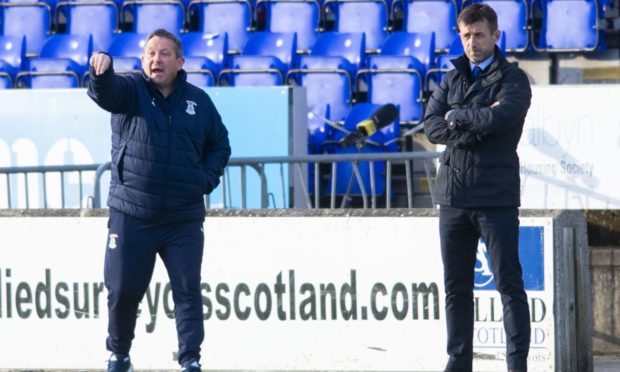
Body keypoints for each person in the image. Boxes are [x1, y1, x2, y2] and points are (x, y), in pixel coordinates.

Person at [87, 29, 231, 372]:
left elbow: (220, 145)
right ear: (142, 61)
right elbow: (105, 93)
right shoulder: (130, 90)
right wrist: (101, 72)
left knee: (187, 291)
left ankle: (190, 360)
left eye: (165, 53)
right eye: (151, 53)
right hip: (132, 212)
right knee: (122, 290)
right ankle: (119, 354)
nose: (157, 59)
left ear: (179, 63)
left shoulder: (199, 102)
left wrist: (203, 180)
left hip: (182, 218)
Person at [422, 4, 532, 372]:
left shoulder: (513, 79)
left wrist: (458, 118)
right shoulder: (452, 76)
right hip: (452, 197)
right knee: (456, 289)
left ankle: (516, 365)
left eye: (479, 35)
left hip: (494, 198)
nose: (472, 43)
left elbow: (499, 119)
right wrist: (467, 122)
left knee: (509, 287)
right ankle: (458, 362)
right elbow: (431, 126)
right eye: (466, 35)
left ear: (496, 36)